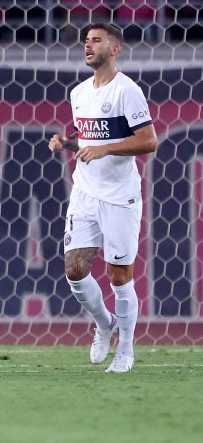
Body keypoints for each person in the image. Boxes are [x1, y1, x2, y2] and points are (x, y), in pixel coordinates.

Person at [49, 23, 158, 373]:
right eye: (85, 41)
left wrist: (105, 148)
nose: (87, 45)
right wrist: (68, 143)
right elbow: (87, 135)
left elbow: (149, 141)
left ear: (115, 49)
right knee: (74, 270)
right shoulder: (79, 92)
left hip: (119, 197)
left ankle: (125, 349)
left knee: (118, 276)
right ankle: (104, 323)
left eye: (96, 40)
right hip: (85, 192)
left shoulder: (128, 91)